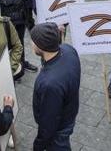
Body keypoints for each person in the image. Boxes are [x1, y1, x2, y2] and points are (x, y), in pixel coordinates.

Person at [31, 22, 81, 150]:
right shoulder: (69, 50)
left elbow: (49, 122)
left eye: (33, 41)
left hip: (58, 128)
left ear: (41, 46)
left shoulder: (49, 83)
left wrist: (38, 145)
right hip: (69, 114)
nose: (31, 43)